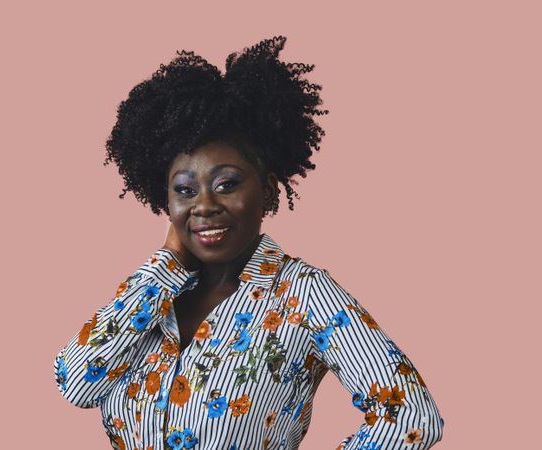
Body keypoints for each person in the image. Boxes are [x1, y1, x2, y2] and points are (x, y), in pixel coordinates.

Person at [54, 36, 444, 450]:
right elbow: (77, 384)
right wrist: (165, 263)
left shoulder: (303, 293)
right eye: (184, 190)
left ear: (269, 192)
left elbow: (410, 416)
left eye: (227, 184)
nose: (204, 205)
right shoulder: (155, 296)